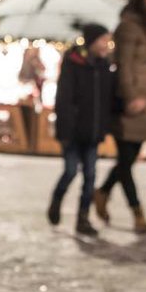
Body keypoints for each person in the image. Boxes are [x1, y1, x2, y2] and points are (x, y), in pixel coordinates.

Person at [93, 0, 146, 235]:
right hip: (130, 102)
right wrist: (131, 96)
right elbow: (123, 64)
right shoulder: (128, 26)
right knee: (125, 160)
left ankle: (102, 192)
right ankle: (137, 212)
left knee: (129, 158)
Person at [48, 23, 116, 237]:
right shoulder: (73, 62)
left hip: (93, 133)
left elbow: (108, 100)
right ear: (92, 41)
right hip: (73, 132)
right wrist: (65, 131)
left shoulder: (105, 66)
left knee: (90, 176)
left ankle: (83, 218)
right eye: (103, 40)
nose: (106, 45)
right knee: (70, 171)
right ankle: (57, 200)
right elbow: (64, 99)